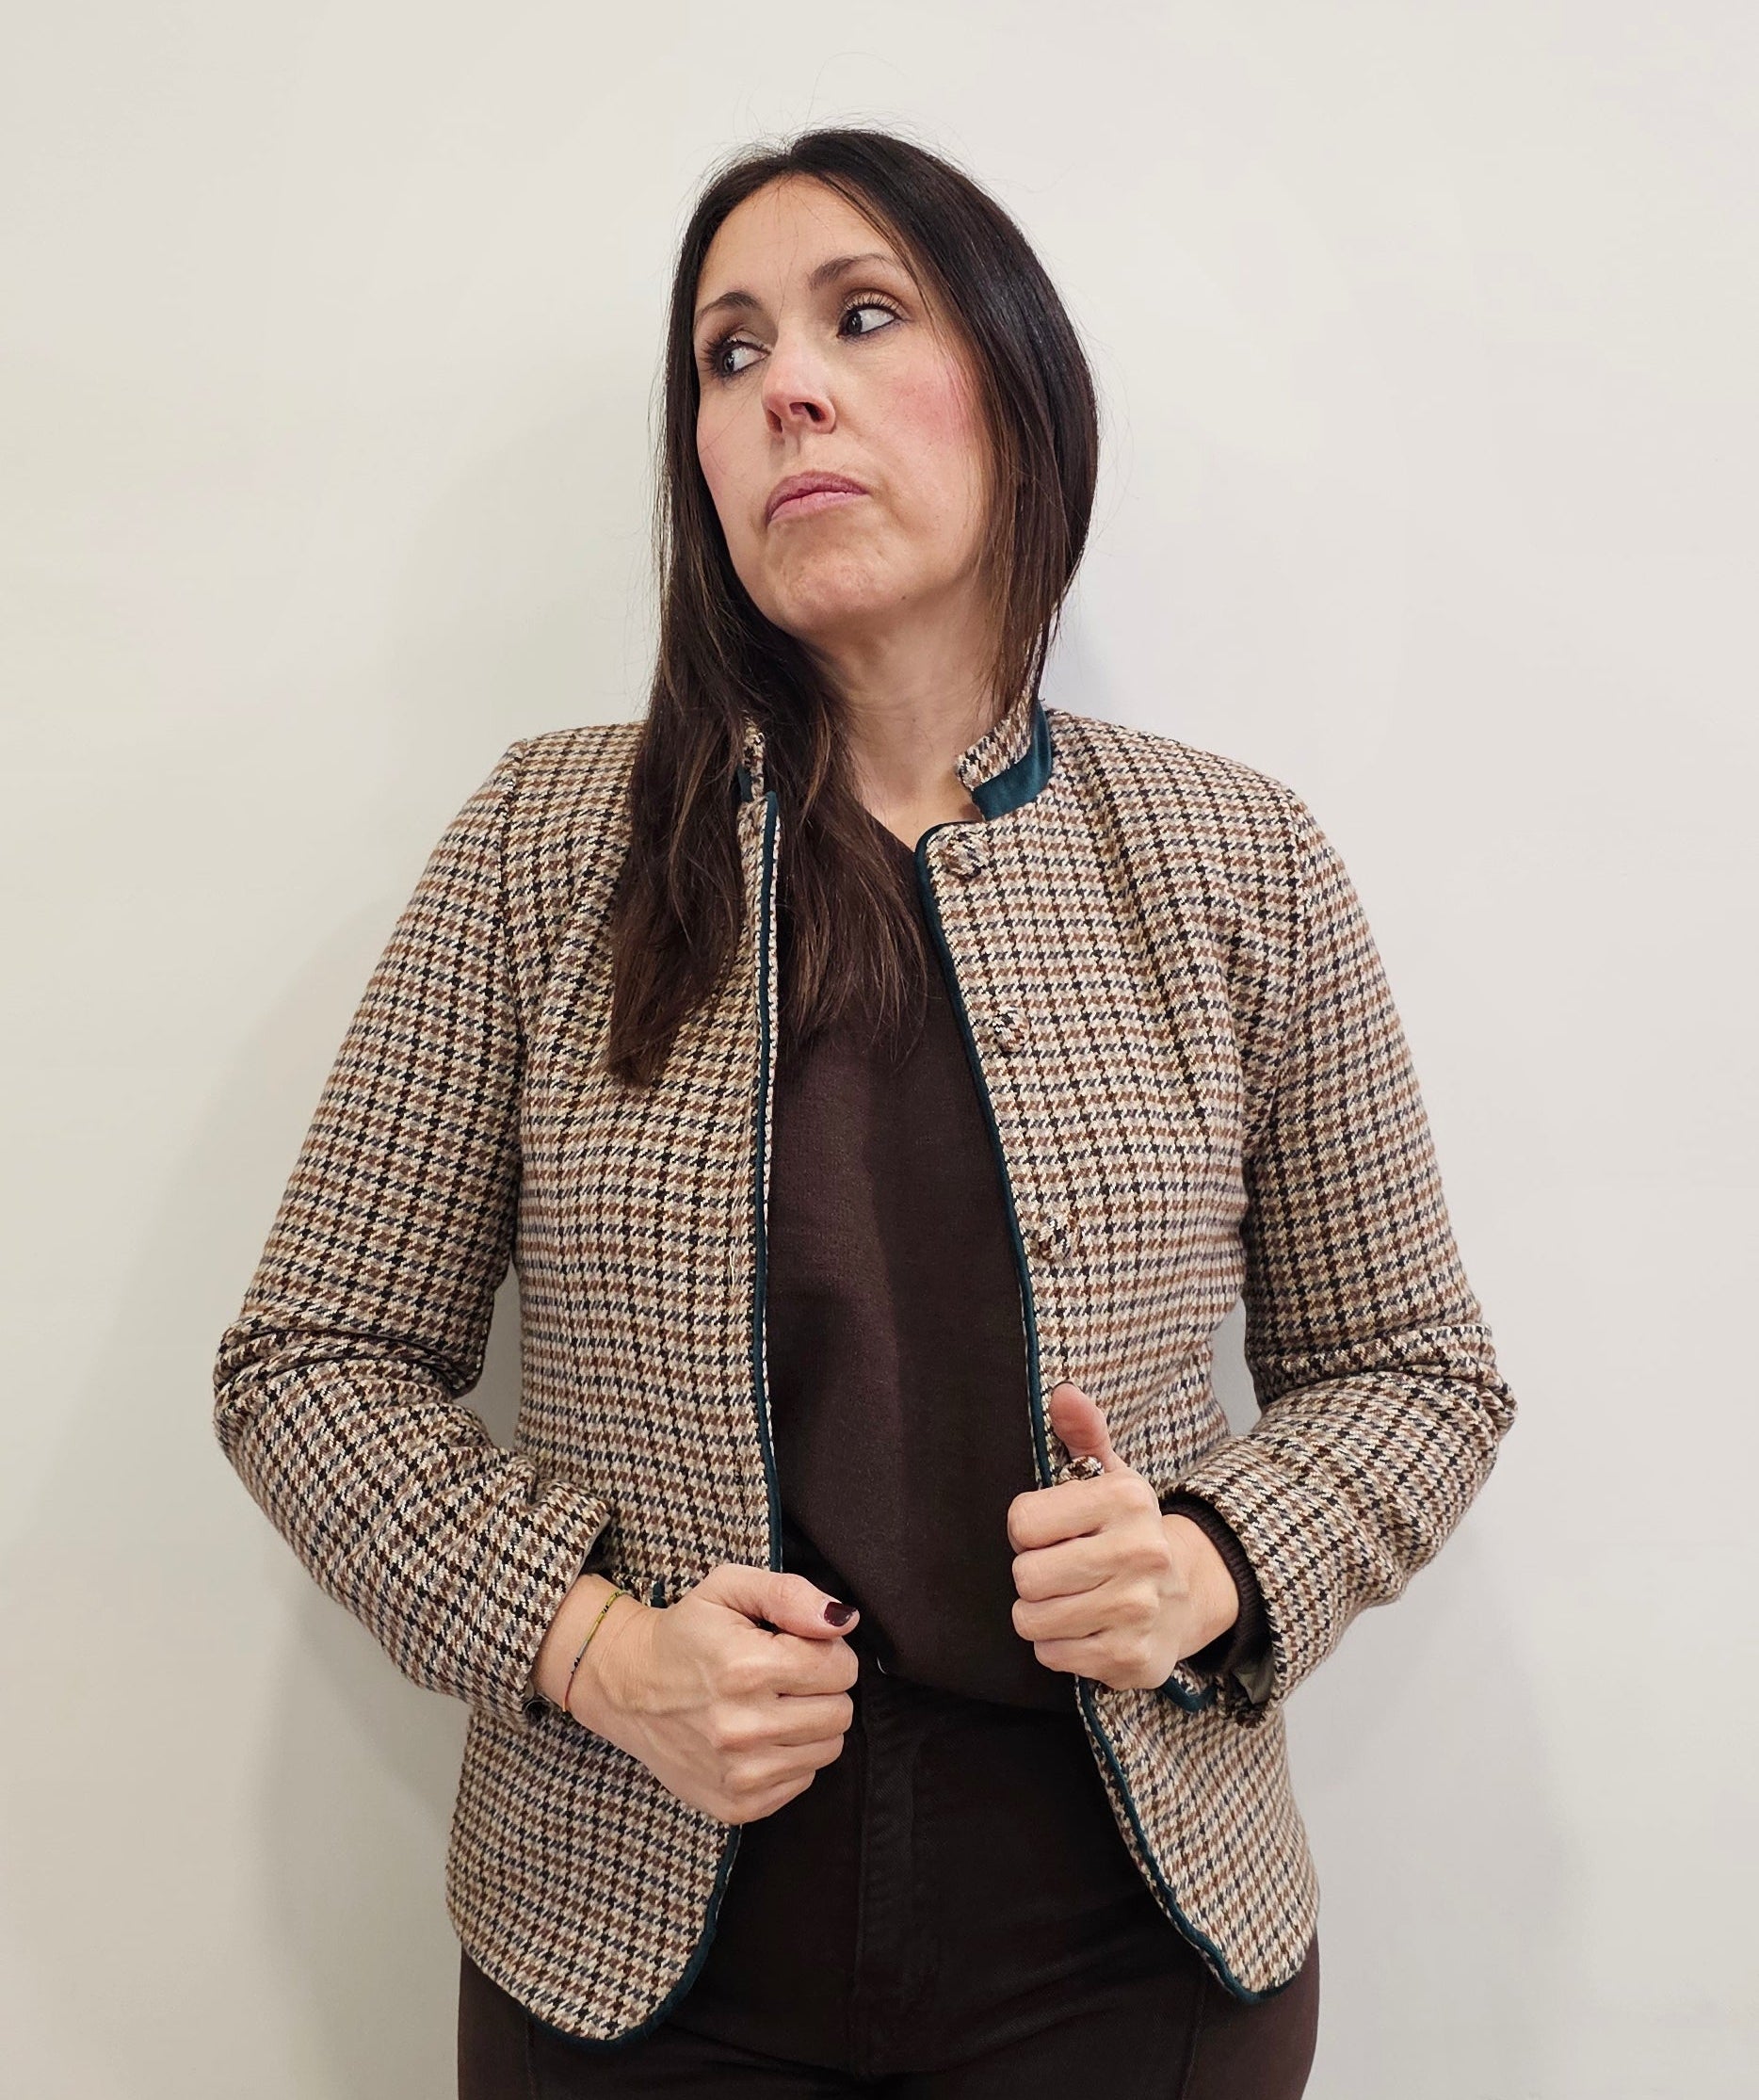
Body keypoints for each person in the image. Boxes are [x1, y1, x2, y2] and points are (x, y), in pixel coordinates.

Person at [214, 127, 1516, 2099]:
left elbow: (1414, 1366)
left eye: (863, 316)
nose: (785, 390)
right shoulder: (544, 849)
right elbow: (310, 1358)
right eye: (728, 353)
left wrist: (1214, 1561)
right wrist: (593, 1645)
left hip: (1127, 1944)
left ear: (1019, 387)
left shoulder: (1237, 861)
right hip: (629, 1937)